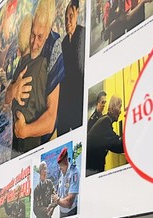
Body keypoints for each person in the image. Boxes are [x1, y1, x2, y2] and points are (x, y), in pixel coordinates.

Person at [6, 0, 64, 150]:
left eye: (40, 36)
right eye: (33, 34)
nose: (34, 42)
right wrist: (14, 89)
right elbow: (7, 97)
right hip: (19, 139)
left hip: (42, 140)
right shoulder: (26, 44)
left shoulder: (54, 46)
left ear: (49, 30)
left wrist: (25, 131)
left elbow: (50, 120)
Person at [57, 0, 85, 134]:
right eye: (66, 18)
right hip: (66, 99)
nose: (68, 21)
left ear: (77, 14)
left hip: (78, 98)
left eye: (71, 16)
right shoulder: (63, 43)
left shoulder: (82, 34)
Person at [86, 95, 125, 176]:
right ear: (112, 108)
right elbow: (117, 146)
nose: (120, 111)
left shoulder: (105, 120)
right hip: (91, 169)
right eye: (119, 107)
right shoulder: (105, 121)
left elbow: (114, 140)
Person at [53, 147, 79, 218]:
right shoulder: (61, 172)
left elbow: (69, 202)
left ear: (66, 161)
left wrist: (57, 200)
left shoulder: (74, 172)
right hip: (62, 211)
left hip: (71, 212)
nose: (60, 169)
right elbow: (58, 192)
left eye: (61, 166)